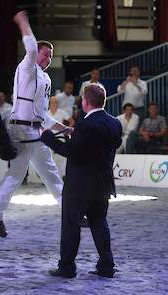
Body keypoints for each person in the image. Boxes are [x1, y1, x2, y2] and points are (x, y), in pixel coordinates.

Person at [0, 10, 72, 238]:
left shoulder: (45, 78)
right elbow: (32, 48)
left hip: (36, 130)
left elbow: (43, 114)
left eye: (51, 57)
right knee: (16, 174)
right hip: (19, 129)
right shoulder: (27, 67)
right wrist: (23, 22)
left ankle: (69, 212)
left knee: (51, 173)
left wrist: (63, 128)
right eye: (46, 55)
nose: (48, 59)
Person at [41, 84, 122, 279]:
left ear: (85, 102)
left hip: (79, 187)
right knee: (99, 223)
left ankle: (67, 267)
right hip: (102, 184)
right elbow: (107, 146)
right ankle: (106, 265)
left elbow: (72, 153)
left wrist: (47, 137)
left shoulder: (85, 125)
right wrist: (75, 136)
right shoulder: (115, 123)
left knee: (71, 225)